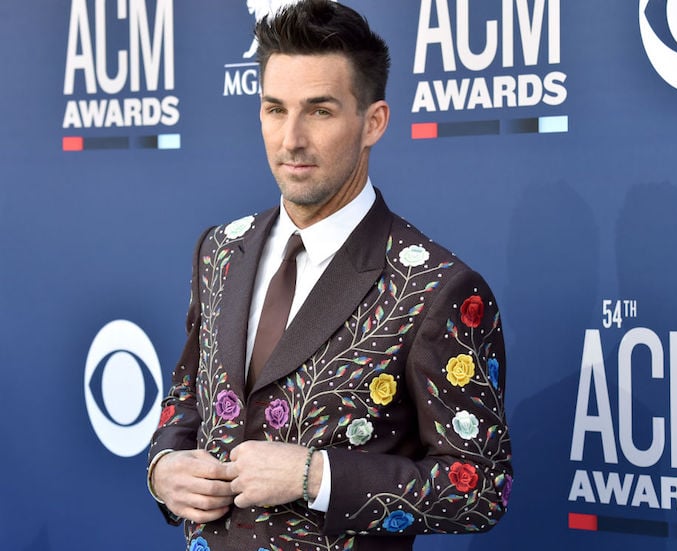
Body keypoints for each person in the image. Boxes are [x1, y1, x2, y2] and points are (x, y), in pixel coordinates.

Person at [147, 1, 513, 549]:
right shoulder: (220, 250)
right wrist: (165, 467)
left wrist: (316, 476)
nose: (291, 138)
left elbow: (481, 488)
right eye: (275, 109)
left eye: (319, 111)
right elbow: (186, 395)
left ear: (373, 122)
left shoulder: (435, 288)